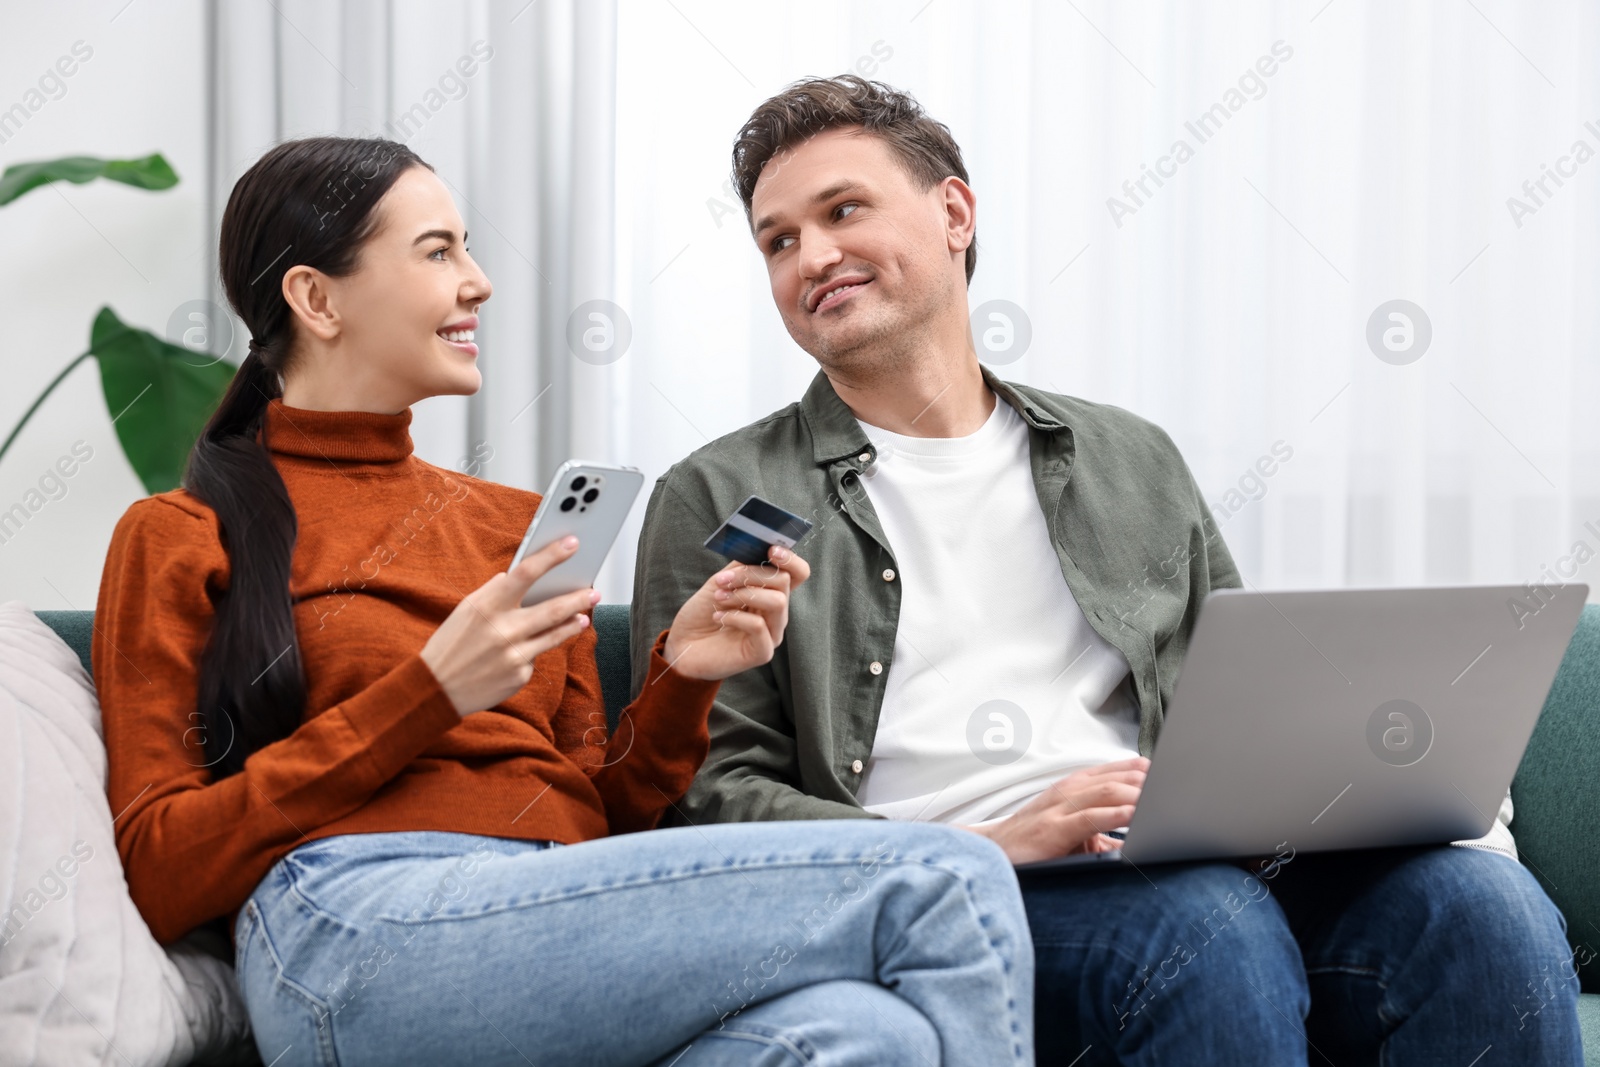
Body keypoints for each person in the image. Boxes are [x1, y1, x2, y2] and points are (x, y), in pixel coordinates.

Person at [630, 76, 1582, 1064]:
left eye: (841, 210)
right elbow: (709, 793)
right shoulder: (717, 491)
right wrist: (997, 838)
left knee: (1480, 907)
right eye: (777, 240)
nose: (811, 256)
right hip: (953, 897)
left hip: (1177, 867)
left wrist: (1286, 800)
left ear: (953, 212)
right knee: (1203, 929)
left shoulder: (1130, 454)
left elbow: (1248, 702)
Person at [93, 135, 1035, 1067]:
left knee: (869, 1037)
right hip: (352, 931)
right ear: (316, 297)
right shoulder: (181, 532)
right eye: (438, 251)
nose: (479, 281)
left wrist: (681, 677)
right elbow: (164, 866)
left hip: (553, 908)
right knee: (947, 876)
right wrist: (428, 691)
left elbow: (600, 816)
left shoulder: (519, 527)